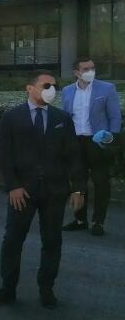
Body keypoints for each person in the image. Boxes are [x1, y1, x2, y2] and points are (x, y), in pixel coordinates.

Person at [0, 71, 85, 310]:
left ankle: (46, 288)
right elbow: (4, 154)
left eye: (54, 85)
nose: (51, 89)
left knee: (52, 241)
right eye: (45, 85)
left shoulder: (62, 118)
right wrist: (13, 186)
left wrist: (79, 190)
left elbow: (74, 156)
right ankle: (8, 288)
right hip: (22, 192)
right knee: (12, 240)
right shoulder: (12, 117)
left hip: (55, 190)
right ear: (29, 88)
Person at [60, 58, 121, 237]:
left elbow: (115, 117)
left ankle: (98, 222)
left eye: (93, 68)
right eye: (86, 68)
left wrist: (111, 137)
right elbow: (65, 117)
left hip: (97, 141)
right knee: (77, 181)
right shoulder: (67, 91)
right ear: (76, 73)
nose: (91, 71)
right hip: (75, 142)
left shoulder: (106, 88)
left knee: (101, 182)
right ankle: (80, 220)